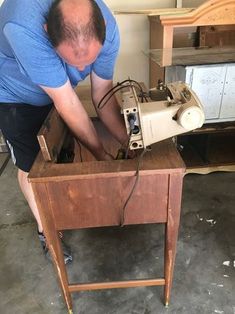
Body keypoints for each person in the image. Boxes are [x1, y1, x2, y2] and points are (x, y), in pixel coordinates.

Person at [0, 0, 129, 264]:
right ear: (47, 31)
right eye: (72, 62)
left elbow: (102, 92)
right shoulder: (22, 26)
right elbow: (67, 101)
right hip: (14, 95)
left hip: (56, 90)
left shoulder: (108, 27)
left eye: (89, 63)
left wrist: (132, 142)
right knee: (32, 167)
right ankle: (46, 231)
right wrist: (101, 155)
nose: (82, 71)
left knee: (64, 148)